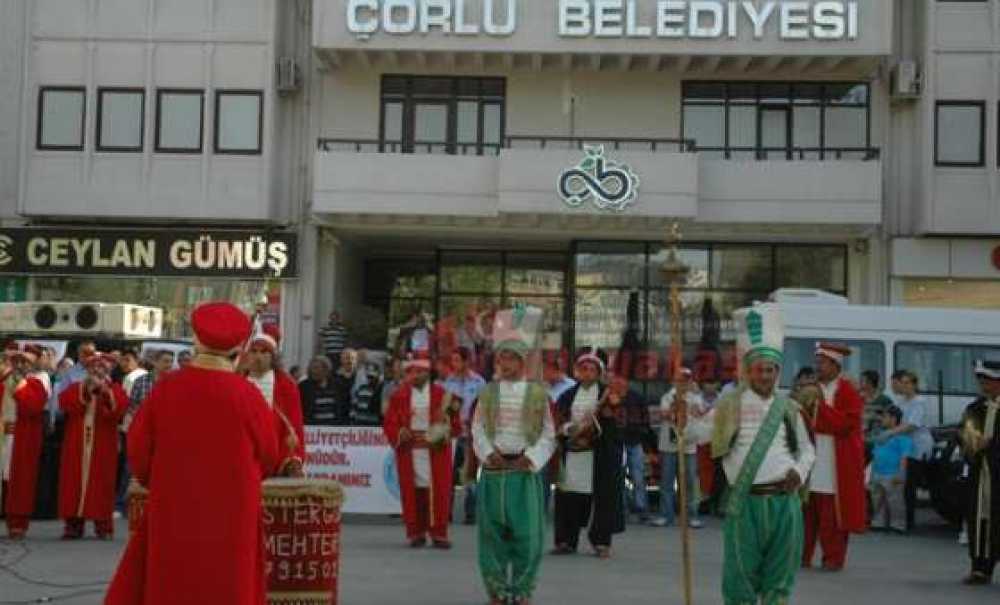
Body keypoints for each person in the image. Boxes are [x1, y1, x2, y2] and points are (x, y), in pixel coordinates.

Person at [105, 302, 280, 605]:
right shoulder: (247, 394)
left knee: (173, 579)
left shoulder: (167, 388)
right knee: (228, 581)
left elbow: (139, 449)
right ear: (239, 347)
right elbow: (269, 455)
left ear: (197, 342)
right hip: (234, 510)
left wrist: (156, 480)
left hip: (173, 503)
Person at [702, 304, 816, 605]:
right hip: (744, 503)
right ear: (747, 370)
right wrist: (680, 412)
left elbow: (807, 450)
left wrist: (799, 472)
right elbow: (696, 433)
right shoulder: (730, 405)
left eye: (770, 369)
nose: (764, 375)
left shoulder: (791, 409)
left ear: (778, 372)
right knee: (740, 578)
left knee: (780, 580)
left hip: (784, 503)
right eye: (758, 369)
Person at [471, 307, 556, 605]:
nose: (502, 362)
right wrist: (487, 452)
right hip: (494, 472)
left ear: (521, 361)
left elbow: (549, 433)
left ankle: (521, 591)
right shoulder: (487, 393)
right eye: (500, 357)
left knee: (528, 537)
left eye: (509, 357)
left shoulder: (537, 394)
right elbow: (477, 428)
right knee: (491, 537)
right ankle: (496, 591)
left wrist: (531, 458)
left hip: (524, 472)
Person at [383, 352, 461, 548]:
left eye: (418, 372)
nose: (413, 376)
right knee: (413, 492)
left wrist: (442, 431)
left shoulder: (443, 395)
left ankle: (439, 533)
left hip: (435, 452)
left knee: (439, 492)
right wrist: (400, 433)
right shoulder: (398, 396)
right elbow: (389, 423)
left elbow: (455, 424)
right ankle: (416, 532)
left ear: (427, 373)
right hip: (410, 452)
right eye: (410, 372)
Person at [552, 349, 626, 558]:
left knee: (602, 499)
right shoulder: (567, 395)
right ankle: (566, 540)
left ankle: (601, 542)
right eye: (583, 369)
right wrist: (570, 430)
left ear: (599, 372)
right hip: (574, 453)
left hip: (598, 455)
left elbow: (616, 423)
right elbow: (558, 420)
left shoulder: (607, 395)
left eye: (592, 369)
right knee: (568, 497)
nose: (587, 373)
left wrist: (601, 423)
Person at [801, 343, 866, 571]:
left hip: (835, 464)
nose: (817, 367)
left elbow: (846, 424)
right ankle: (802, 556)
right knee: (806, 515)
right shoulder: (809, 388)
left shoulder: (848, 391)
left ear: (835, 365)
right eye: (817, 362)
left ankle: (832, 558)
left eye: (822, 363)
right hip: (810, 459)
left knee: (832, 518)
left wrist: (818, 409)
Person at [57, 352, 129, 539]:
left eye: (102, 368)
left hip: (103, 445)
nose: (97, 371)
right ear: (87, 370)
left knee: (102, 483)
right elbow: (66, 404)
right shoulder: (76, 388)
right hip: (76, 444)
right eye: (93, 368)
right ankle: (73, 525)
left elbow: (118, 410)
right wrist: (86, 391)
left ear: (108, 371)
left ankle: (103, 526)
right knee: (73, 481)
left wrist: (105, 392)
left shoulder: (115, 389)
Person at [1, 344, 51, 539]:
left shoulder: (37, 383)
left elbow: (32, 406)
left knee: (20, 481)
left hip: (22, 437)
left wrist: (18, 383)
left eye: (25, 361)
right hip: (3, 436)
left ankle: (17, 522)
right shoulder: (5, 380)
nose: (20, 364)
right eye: (17, 361)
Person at [959, 360, 1000, 586]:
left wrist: (992, 443)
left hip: (997, 474)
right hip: (979, 475)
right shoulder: (975, 407)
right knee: (978, 518)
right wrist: (972, 440)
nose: (984, 385)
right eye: (982, 380)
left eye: (988, 380)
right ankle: (979, 567)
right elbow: (965, 431)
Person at [245, 326, 306, 477]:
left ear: (273, 356)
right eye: (254, 351)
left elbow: (294, 425)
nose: (258, 357)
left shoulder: (286, 385)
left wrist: (291, 460)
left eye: (264, 352)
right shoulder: (237, 380)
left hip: (275, 455)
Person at [653, 367, 706, 529]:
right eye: (680, 380)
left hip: (688, 446)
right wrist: (676, 403)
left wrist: (694, 400)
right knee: (667, 481)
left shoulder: (696, 398)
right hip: (669, 446)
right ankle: (665, 515)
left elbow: (702, 413)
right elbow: (663, 415)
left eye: (686, 380)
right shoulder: (667, 397)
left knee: (690, 481)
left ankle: (692, 516)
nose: (683, 383)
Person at [881, 369, 934, 531]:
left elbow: (911, 425)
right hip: (902, 447)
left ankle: (908, 522)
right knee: (900, 485)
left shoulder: (919, 402)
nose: (904, 386)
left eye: (907, 383)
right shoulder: (901, 402)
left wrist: (890, 432)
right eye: (902, 383)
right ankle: (898, 520)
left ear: (914, 385)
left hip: (917, 447)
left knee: (910, 485)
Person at [443, 347, 487, 525]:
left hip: (471, 434)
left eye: (457, 360)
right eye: (452, 360)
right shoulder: (449, 382)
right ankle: (446, 513)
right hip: (452, 433)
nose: (454, 364)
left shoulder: (479, 382)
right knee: (449, 474)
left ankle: (471, 513)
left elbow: (484, 408)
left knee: (470, 474)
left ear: (467, 361)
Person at [869, 406, 912, 533]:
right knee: (877, 498)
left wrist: (900, 473)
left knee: (895, 500)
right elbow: (874, 455)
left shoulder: (903, 438)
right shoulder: (881, 436)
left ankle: (898, 524)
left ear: (893, 419)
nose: (882, 419)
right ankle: (878, 522)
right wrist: (871, 473)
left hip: (893, 473)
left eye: (885, 417)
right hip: (878, 472)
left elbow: (904, 457)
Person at [616, 373, 651, 524]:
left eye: (622, 380)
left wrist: (642, 432)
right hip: (618, 442)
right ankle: (622, 508)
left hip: (635, 441)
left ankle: (641, 507)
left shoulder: (636, 397)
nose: (620, 383)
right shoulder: (611, 397)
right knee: (619, 477)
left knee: (638, 476)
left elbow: (645, 416)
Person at [300, 355, 339, 425]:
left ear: (326, 370)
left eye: (316, 368)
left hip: (333, 428)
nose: (313, 371)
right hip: (313, 428)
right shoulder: (304, 386)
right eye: (312, 368)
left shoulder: (336, 385)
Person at [860, 370, 894, 450]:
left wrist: (875, 417)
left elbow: (891, 422)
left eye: (863, 381)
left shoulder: (884, 400)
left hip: (877, 441)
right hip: (860, 440)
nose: (861, 383)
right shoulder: (859, 399)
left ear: (870, 383)